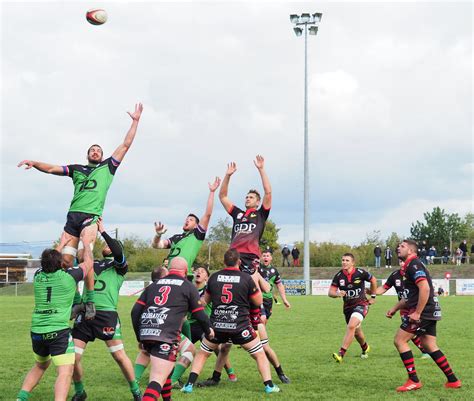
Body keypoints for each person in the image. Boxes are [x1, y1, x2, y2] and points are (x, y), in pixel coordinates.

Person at [18, 103, 144, 319]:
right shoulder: (76, 170)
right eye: (92, 150)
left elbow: (125, 144)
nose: (95, 152)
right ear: (87, 155)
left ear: (102, 156)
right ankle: (77, 302)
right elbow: (51, 169)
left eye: (98, 150)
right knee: (63, 261)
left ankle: (91, 302)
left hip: (90, 218)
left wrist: (135, 121)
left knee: (86, 253)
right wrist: (34, 162)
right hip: (72, 218)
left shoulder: (107, 168)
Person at [181, 249, 280, 394]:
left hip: (217, 326)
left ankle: (189, 385)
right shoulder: (246, 278)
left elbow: (203, 302)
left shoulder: (214, 277)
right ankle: (269, 386)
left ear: (223, 262)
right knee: (259, 354)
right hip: (240, 326)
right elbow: (258, 301)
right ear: (239, 262)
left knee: (202, 353)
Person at [70, 218, 141, 401]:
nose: (108, 247)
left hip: (106, 314)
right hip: (86, 312)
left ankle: (135, 391)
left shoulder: (119, 267)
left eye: (112, 246)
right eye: (107, 246)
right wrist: (83, 234)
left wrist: (103, 231)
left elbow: (117, 250)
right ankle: (80, 392)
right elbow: (80, 255)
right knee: (73, 358)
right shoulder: (92, 262)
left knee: (118, 356)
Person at [16, 239, 93, 401]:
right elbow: (89, 263)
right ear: (60, 263)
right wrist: (86, 245)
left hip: (37, 331)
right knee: (65, 372)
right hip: (58, 331)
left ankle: (21, 398)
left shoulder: (37, 276)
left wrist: (61, 243)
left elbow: (48, 261)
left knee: (40, 365)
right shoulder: (70, 276)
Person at [131, 257, 213, 401]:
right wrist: (208, 331)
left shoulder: (153, 286)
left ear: (169, 270)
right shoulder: (188, 286)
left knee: (166, 371)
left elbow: (135, 312)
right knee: (157, 380)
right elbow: (200, 314)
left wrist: (140, 336)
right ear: (186, 271)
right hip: (166, 335)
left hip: (147, 331)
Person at [386, 239, 461, 392]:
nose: (398, 248)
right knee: (429, 345)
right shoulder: (410, 266)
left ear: (412, 251)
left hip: (424, 312)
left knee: (400, 341)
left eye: (402, 246)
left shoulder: (413, 264)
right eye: (398, 246)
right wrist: (395, 309)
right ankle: (453, 380)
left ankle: (413, 380)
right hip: (431, 310)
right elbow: (411, 296)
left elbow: (425, 289)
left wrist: (417, 313)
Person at [152, 177, 221, 280]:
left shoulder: (197, 235)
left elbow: (207, 214)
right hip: (167, 275)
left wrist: (212, 192)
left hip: (183, 275)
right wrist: (158, 234)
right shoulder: (176, 237)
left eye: (191, 219)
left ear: (197, 225)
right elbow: (156, 245)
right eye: (187, 219)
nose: (187, 220)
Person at [219, 155, 271, 275]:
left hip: (250, 255)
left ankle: (264, 289)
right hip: (233, 255)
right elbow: (222, 196)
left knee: (249, 287)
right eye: (246, 197)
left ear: (258, 202)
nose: (247, 199)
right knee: (231, 286)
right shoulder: (237, 214)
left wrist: (261, 169)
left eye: (251, 197)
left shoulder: (261, 214)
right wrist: (227, 176)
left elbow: (268, 192)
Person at [328, 253, 377, 363]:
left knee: (351, 326)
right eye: (343, 260)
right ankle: (365, 348)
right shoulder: (339, 276)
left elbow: (373, 280)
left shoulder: (361, 273)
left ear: (353, 263)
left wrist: (373, 296)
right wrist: (337, 294)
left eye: (347, 260)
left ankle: (341, 354)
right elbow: (330, 292)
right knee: (356, 331)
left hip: (361, 304)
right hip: (347, 308)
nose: (344, 262)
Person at [376, 261, 429, 359]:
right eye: (400, 261)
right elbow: (384, 287)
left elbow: (423, 288)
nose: (402, 263)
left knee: (412, 331)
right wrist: (373, 292)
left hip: (415, 306)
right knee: (409, 330)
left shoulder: (414, 272)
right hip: (403, 307)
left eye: (404, 261)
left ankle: (427, 350)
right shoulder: (395, 275)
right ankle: (426, 351)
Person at [258, 249, 291, 383]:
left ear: (271, 258)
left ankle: (257, 338)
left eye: (268, 256)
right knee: (262, 319)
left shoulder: (274, 271)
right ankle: (257, 340)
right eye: (264, 255)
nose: (265, 257)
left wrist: (284, 299)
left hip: (267, 301)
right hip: (256, 300)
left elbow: (280, 285)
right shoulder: (256, 268)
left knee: (262, 323)